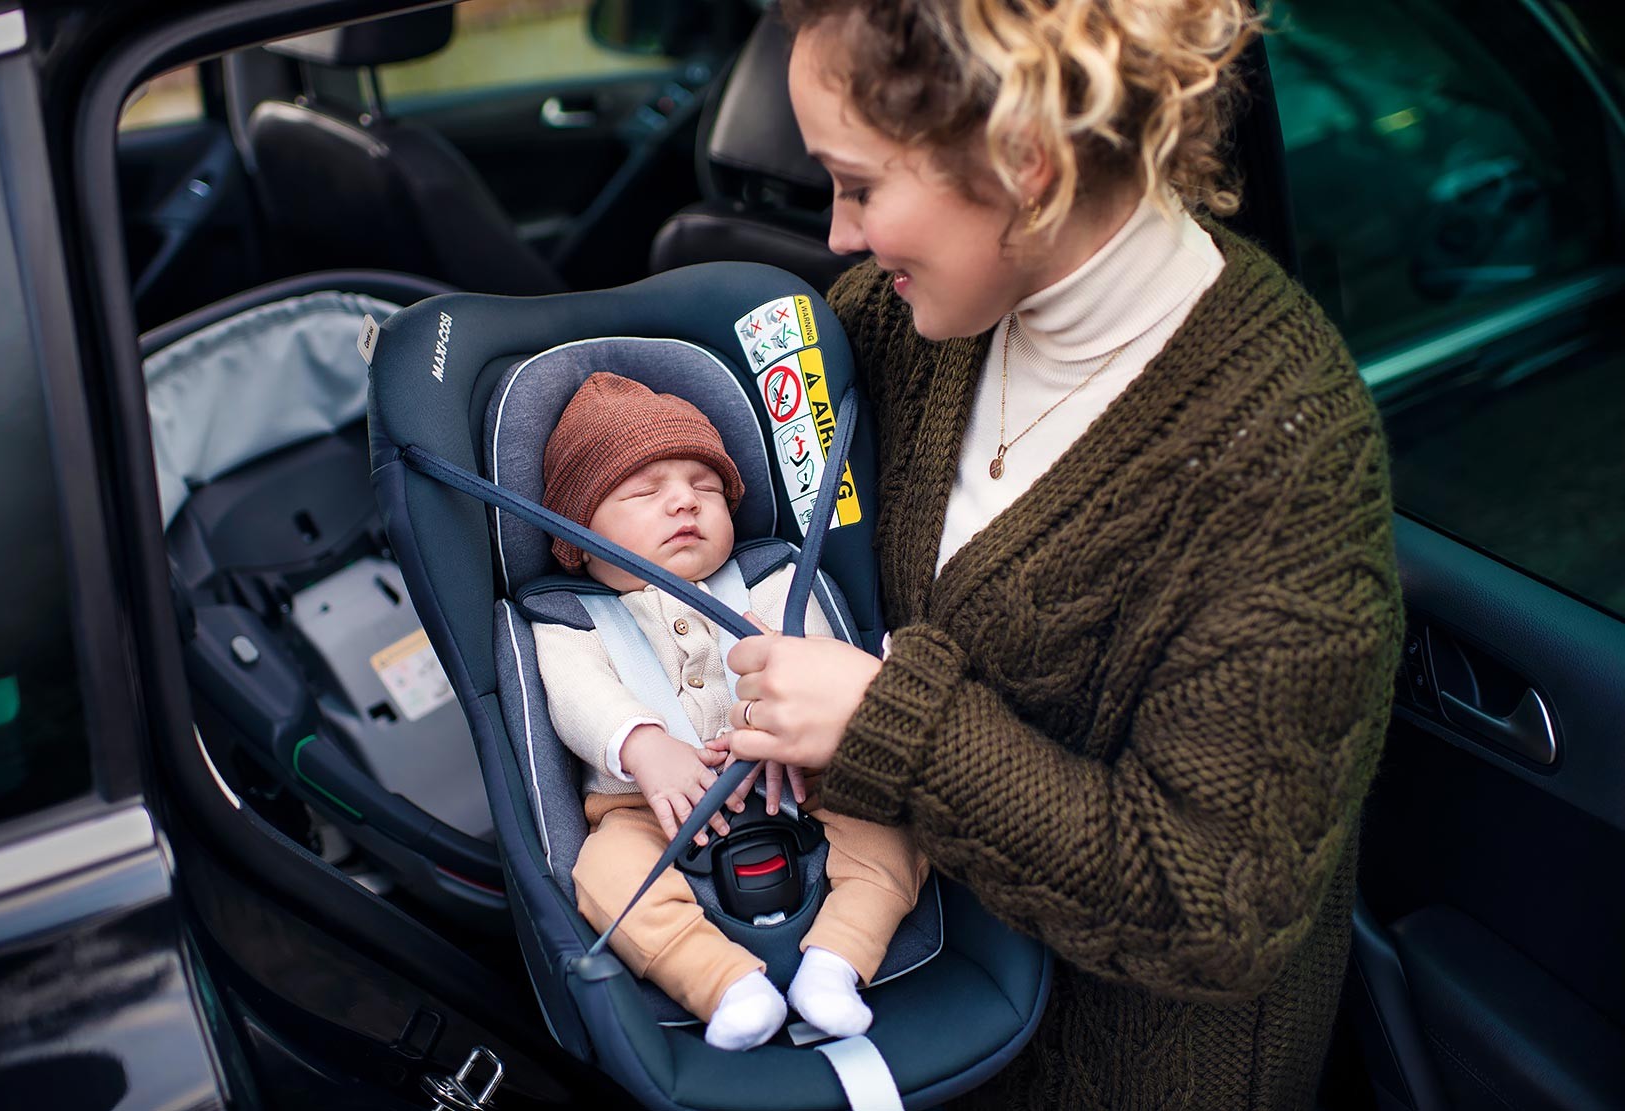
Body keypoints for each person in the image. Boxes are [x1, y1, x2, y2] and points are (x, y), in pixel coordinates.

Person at [718, 0, 1404, 1105]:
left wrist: (885, 720)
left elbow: (1216, 909)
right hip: (903, 1030)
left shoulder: (1283, 457)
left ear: (1024, 161)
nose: (838, 232)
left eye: (859, 184)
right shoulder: (905, 321)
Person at [531, 372, 928, 1052]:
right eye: (645, 492)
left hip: (800, 778)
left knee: (897, 824)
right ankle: (723, 984)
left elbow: (812, 660)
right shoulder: (568, 622)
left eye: (707, 487)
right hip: (645, 807)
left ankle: (837, 960)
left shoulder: (773, 579)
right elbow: (577, 696)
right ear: (578, 535)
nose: (685, 500)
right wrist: (643, 743)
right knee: (603, 876)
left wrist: (785, 727)